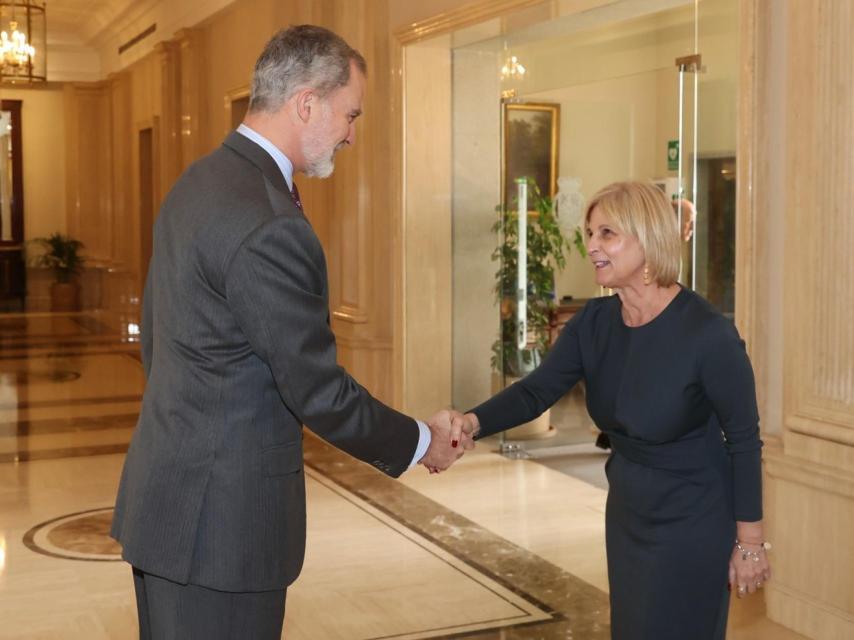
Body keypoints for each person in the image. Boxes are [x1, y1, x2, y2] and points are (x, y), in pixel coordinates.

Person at [111, 25, 471, 640]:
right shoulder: (268, 221)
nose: (353, 133)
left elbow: (162, 339)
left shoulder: (199, 181)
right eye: (350, 114)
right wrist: (419, 441)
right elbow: (318, 391)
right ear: (307, 102)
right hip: (222, 532)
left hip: (168, 505)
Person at [450, 181, 771, 639]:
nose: (592, 246)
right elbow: (535, 392)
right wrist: (471, 422)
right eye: (590, 233)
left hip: (694, 517)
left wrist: (751, 543)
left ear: (648, 238)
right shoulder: (594, 323)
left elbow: (743, 441)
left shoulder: (707, 334)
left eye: (607, 234)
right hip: (628, 511)